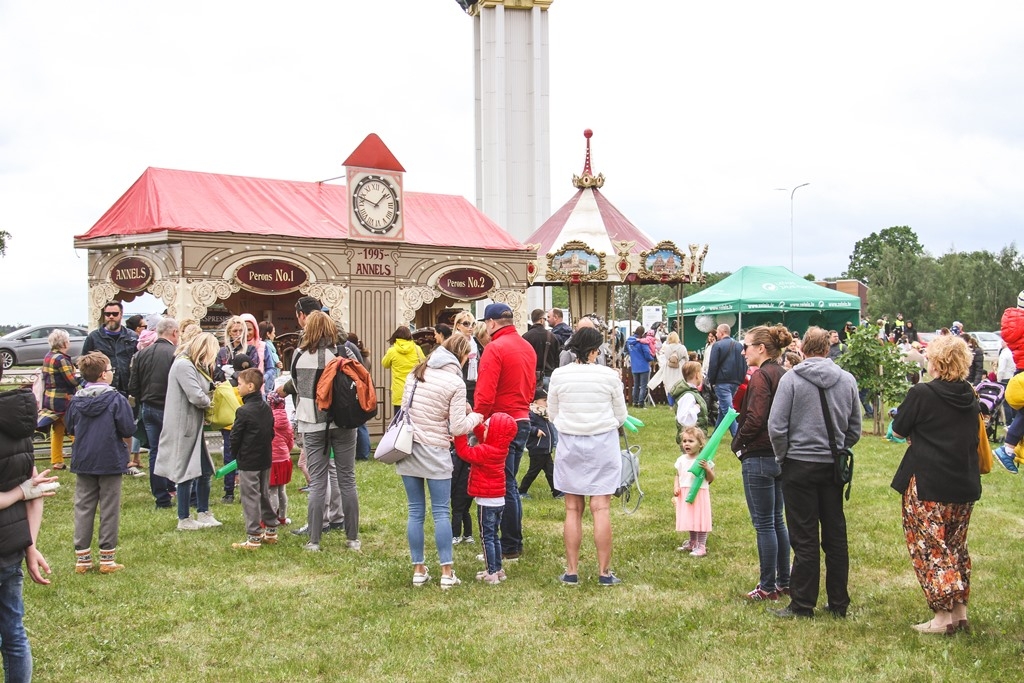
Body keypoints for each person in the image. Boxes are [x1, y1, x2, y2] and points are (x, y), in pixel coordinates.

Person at [890, 334, 981, 633]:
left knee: (932, 549)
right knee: (956, 548)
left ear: (938, 362)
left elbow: (900, 428)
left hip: (929, 483)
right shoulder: (970, 394)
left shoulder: (922, 393)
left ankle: (942, 618)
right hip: (963, 482)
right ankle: (960, 613)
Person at [768, 326, 861, 618]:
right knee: (835, 536)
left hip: (798, 465)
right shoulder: (846, 381)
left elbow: (777, 426)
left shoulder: (791, 381)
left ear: (804, 350)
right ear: (827, 349)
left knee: (804, 536)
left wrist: (784, 456)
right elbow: (854, 427)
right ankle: (838, 603)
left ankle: (802, 604)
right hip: (832, 466)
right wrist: (837, 448)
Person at [398, 334, 483, 589]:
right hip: (436, 449)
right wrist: (476, 417)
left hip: (408, 446)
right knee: (441, 512)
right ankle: (447, 571)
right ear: (461, 357)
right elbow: (458, 427)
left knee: (415, 511)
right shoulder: (455, 382)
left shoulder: (416, 373)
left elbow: (405, 409)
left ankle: (418, 569)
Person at [549, 327, 629, 586]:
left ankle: (571, 571)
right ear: (596, 350)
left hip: (570, 441)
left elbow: (553, 412)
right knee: (601, 507)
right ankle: (604, 572)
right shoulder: (608, 376)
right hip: (602, 443)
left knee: (573, 509)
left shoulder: (559, 375)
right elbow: (621, 415)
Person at [278, 311, 359, 552]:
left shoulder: (298, 355)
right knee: (347, 480)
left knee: (318, 483)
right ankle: (352, 538)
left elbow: (295, 383)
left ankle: (314, 540)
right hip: (343, 421)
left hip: (312, 422)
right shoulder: (343, 352)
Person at [0, 360, 56, 683]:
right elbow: (35, 488)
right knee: (14, 634)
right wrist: (29, 545)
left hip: (8, 550)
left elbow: (30, 489)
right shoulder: (17, 421)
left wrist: (18, 493)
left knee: (13, 634)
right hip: (10, 551)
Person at [732, 324, 792, 602]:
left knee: (765, 523)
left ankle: (768, 585)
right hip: (780, 455)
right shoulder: (784, 374)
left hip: (758, 455)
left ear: (761, 348)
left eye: (746, 346)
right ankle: (784, 580)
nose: (743, 351)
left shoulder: (760, 377)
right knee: (777, 520)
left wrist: (738, 443)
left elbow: (756, 418)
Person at [473, 302, 536, 562]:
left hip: (499, 421)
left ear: (491, 323)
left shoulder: (495, 348)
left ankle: (509, 545)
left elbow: (485, 393)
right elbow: (531, 386)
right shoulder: (527, 347)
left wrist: (478, 421)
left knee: (505, 484)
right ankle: (512, 542)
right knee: (509, 482)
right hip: (522, 418)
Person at [65, 351, 135, 574]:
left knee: (83, 506)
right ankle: (107, 558)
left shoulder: (76, 400)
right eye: (111, 369)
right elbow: (127, 428)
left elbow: (69, 426)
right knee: (109, 508)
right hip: (110, 458)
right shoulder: (116, 399)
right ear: (104, 374)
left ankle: (82, 559)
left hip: (84, 458)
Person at [154, 332, 223, 531]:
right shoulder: (184, 365)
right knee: (185, 472)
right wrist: (211, 400)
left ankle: (203, 512)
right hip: (184, 427)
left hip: (194, 426)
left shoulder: (191, 365)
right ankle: (183, 518)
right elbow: (195, 396)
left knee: (204, 471)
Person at [454, 413, 517, 584]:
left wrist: (459, 431)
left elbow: (464, 452)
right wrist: (474, 420)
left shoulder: (485, 451)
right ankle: (498, 569)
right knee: (494, 536)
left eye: (488, 428)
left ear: (495, 433)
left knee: (486, 537)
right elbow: (483, 433)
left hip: (486, 502)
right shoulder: (499, 447)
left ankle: (491, 573)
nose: (484, 430)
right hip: (498, 500)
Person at [128, 317, 180, 509]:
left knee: (155, 452)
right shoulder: (175, 354)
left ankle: (161, 497)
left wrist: (143, 400)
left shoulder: (142, 354)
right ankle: (171, 487)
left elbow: (133, 385)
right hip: (168, 406)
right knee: (171, 450)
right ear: (174, 333)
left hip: (148, 406)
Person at [229, 368, 278, 550]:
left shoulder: (243, 411)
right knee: (264, 493)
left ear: (250, 387)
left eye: (240, 384)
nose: (238, 387)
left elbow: (235, 437)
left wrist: (236, 454)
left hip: (248, 460)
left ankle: (253, 537)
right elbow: (271, 432)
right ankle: (271, 530)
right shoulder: (266, 407)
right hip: (265, 458)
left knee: (250, 497)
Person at [449, 311, 483, 544]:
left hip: (472, 390)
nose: (469, 327)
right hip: (458, 392)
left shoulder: (476, 346)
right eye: (465, 324)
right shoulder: (453, 346)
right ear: (457, 325)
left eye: (472, 323)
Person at [38, 328, 83, 471]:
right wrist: (84, 377)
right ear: (64, 343)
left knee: (57, 430)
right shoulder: (62, 359)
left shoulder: (48, 356)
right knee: (74, 429)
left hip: (49, 399)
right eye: (68, 340)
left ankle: (57, 461)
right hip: (64, 400)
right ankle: (82, 457)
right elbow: (72, 381)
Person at [81, 300, 138, 396]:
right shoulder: (94, 337)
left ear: (121, 315)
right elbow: (83, 363)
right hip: (102, 389)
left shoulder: (132, 336)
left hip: (128, 388)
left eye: (115, 314)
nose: (111, 316)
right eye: (108, 314)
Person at [673, 426, 714, 556]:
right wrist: (676, 486)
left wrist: (707, 469)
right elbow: (677, 475)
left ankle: (701, 546)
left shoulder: (704, 461)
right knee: (690, 518)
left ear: (700, 444)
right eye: (684, 441)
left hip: (699, 493)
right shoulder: (681, 460)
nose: (686, 444)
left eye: (691, 441)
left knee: (700, 519)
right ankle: (693, 542)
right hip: (685, 492)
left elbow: (711, 479)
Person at [520, 388, 560, 499]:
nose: (546, 403)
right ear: (535, 401)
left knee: (550, 472)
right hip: (537, 448)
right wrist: (535, 431)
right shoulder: (532, 414)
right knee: (533, 472)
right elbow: (527, 426)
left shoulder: (543, 414)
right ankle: (521, 491)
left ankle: (557, 492)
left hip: (545, 449)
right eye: (544, 400)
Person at [707, 324, 746, 437]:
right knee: (723, 408)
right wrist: (740, 379)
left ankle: (737, 435)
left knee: (728, 410)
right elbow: (744, 365)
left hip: (722, 381)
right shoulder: (739, 346)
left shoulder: (717, 346)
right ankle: (716, 434)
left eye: (717, 332)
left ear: (722, 332)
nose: (716, 335)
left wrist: (711, 380)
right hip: (736, 382)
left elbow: (713, 365)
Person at [267, 392, 294, 525]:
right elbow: (290, 441)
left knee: (272, 490)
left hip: (271, 460)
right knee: (282, 489)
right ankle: (282, 517)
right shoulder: (286, 421)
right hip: (284, 459)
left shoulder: (267, 420)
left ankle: (271, 519)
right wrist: (286, 452)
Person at [381, 326, 424, 409]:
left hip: (399, 391)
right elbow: (423, 364)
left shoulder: (392, 351)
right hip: (414, 390)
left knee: (399, 419)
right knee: (414, 419)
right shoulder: (417, 349)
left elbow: (385, 364)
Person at [670, 361, 708, 442]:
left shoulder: (692, 393)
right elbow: (683, 419)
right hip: (690, 439)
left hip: (695, 438)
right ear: (697, 375)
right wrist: (696, 409)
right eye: (701, 373)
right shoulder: (688, 396)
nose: (702, 376)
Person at [522, 309, 560, 387]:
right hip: (549, 376)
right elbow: (557, 359)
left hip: (531, 377)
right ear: (542, 320)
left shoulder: (525, 337)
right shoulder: (552, 337)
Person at [626, 326, 655, 408]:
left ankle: (635, 402)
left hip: (634, 366)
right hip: (643, 366)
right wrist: (652, 358)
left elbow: (627, 351)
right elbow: (647, 354)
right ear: (642, 333)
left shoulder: (629, 341)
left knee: (636, 385)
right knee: (643, 386)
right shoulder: (643, 342)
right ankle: (641, 403)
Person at [658, 331, 688, 407]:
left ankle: (671, 404)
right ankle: (679, 403)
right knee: (680, 386)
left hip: (669, 369)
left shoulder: (666, 348)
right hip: (680, 369)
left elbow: (664, 357)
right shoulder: (682, 347)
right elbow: (686, 359)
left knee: (669, 387)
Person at [259, 321, 283, 395]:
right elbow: (269, 365)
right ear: (268, 334)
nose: (274, 335)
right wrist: (276, 365)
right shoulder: (266, 346)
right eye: (273, 332)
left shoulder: (264, 345)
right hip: (267, 382)